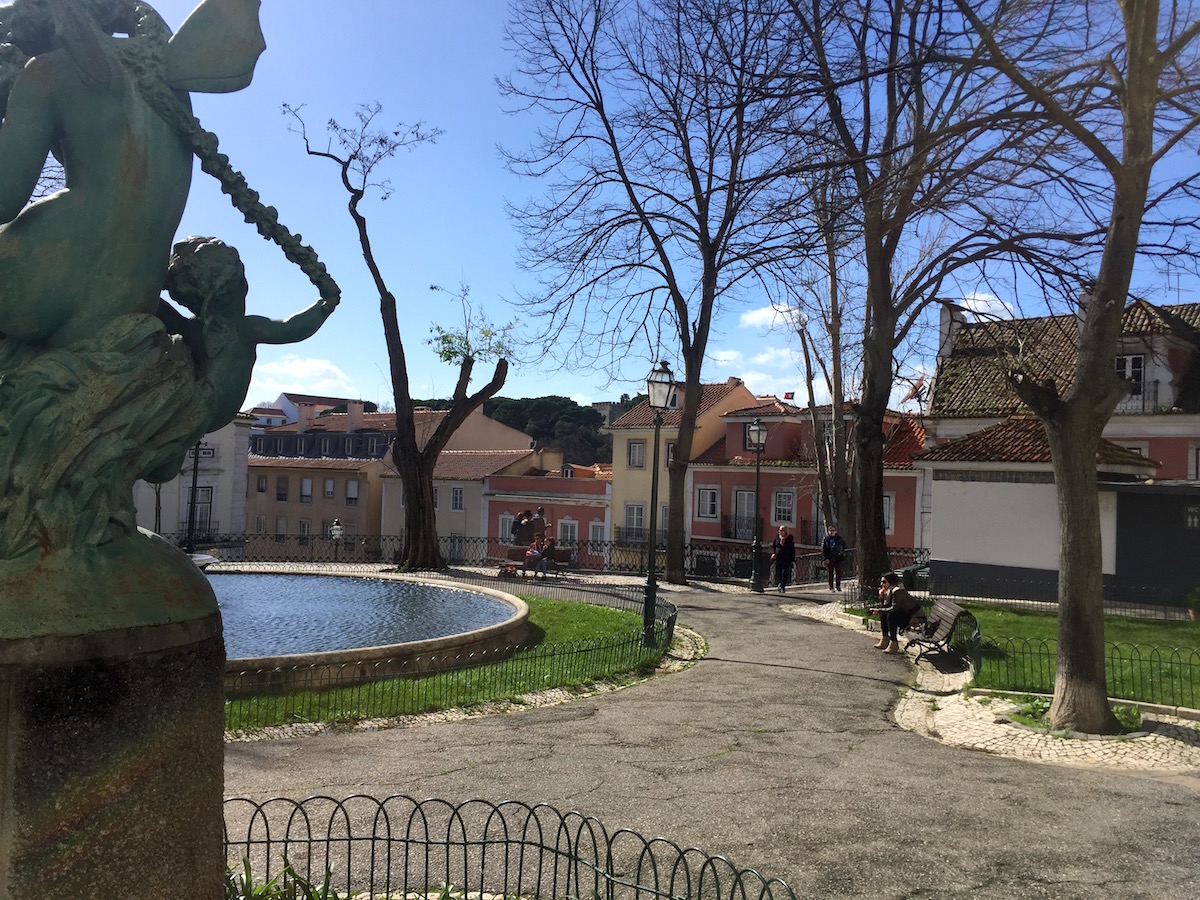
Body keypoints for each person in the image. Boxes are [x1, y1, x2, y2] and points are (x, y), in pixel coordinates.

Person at [158, 236, 336, 434]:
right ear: (233, 288)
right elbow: (291, 328)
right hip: (209, 410)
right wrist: (325, 305)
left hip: (191, 410)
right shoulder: (244, 329)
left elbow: (161, 310)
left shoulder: (190, 327)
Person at [870, 572, 923, 653]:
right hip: (905, 616)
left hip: (915, 619)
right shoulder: (890, 590)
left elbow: (894, 608)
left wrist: (880, 610)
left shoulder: (897, 591)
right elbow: (886, 606)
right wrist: (881, 597)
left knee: (891, 615)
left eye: (884, 582)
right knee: (884, 614)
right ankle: (885, 639)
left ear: (890, 582)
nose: (881, 584)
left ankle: (894, 643)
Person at [770, 525, 795, 594]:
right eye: (779, 530)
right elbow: (774, 546)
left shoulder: (789, 538)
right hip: (779, 558)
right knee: (779, 572)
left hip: (787, 559)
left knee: (784, 572)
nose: (780, 532)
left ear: (785, 531)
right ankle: (779, 584)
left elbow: (792, 549)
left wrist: (793, 559)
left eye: (782, 530)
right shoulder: (777, 537)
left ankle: (782, 586)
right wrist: (774, 553)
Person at [822, 525, 846, 592]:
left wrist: (842, 552)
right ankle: (831, 587)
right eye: (830, 531)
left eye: (833, 530)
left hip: (838, 557)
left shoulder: (839, 539)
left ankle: (838, 586)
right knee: (830, 573)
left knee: (839, 572)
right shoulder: (826, 539)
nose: (832, 532)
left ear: (835, 531)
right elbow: (823, 549)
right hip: (829, 558)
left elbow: (844, 545)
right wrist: (825, 558)